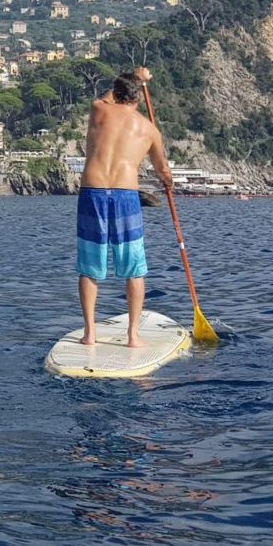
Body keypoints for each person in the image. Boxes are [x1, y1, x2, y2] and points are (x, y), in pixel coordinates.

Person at [75, 67, 173, 347]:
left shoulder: (99, 110)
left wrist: (136, 77)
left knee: (89, 267)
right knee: (134, 268)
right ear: (139, 99)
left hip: (92, 192)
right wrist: (168, 182)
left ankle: (90, 334)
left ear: (116, 94)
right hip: (125, 195)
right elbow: (162, 170)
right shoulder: (149, 129)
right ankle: (133, 336)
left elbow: (107, 97)